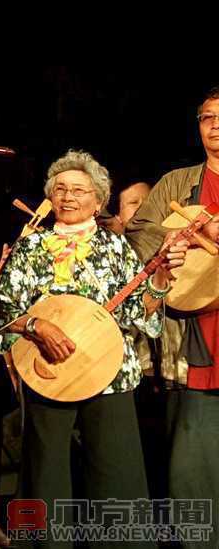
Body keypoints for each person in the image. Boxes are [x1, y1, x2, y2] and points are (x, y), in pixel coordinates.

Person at [0, 150, 184, 549]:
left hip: (108, 374)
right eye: (60, 189)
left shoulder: (114, 248)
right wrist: (37, 325)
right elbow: (1, 309)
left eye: (79, 190)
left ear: (98, 200)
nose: (68, 196)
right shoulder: (31, 247)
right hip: (47, 373)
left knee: (117, 477)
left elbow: (136, 313)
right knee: (46, 479)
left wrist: (159, 281)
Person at [126, 92, 219, 548]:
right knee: (192, 461)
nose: (216, 126)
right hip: (197, 341)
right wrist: (178, 243)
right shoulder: (178, 184)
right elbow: (140, 232)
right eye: (208, 118)